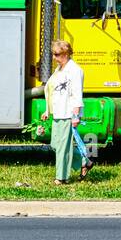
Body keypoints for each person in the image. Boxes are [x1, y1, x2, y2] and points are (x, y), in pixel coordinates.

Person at [40, 40, 88, 184]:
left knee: (62, 147)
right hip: (58, 112)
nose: (54, 58)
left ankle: (62, 177)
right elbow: (52, 90)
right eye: (53, 54)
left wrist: (75, 116)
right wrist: (47, 110)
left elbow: (77, 95)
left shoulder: (74, 70)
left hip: (68, 113)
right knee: (56, 145)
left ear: (66, 54)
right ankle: (84, 162)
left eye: (57, 54)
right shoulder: (59, 69)